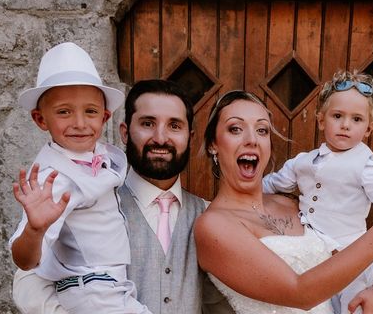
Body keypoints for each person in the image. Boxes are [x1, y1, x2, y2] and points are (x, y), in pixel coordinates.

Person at [194, 90, 373, 314]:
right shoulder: (214, 225)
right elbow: (299, 293)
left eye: (262, 130)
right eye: (235, 129)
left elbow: (343, 239)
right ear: (214, 144)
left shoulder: (290, 202)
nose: (252, 140)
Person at [12, 79, 236, 314]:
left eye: (174, 126)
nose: (160, 138)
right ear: (125, 133)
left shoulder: (209, 216)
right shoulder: (87, 202)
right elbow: (28, 285)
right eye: (148, 123)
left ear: (189, 137)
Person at [9, 42, 150, 313]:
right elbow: (24, 261)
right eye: (64, 111)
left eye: (90, 111)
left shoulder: (101, 156)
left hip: (110, 287)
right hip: (92, 291)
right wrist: (35, 230)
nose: (80, 123)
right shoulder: (53, 179)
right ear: (40, 119)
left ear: (105, 117)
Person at [262, 71, 373, 314]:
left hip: (352, 257)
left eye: (357, 119)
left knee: (349, 309)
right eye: (337, 116)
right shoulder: (303, 162)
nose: (346, 125)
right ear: (321, 120)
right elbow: (273, 184)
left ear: (369, 128)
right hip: (312, 253)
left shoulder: (367, 166)